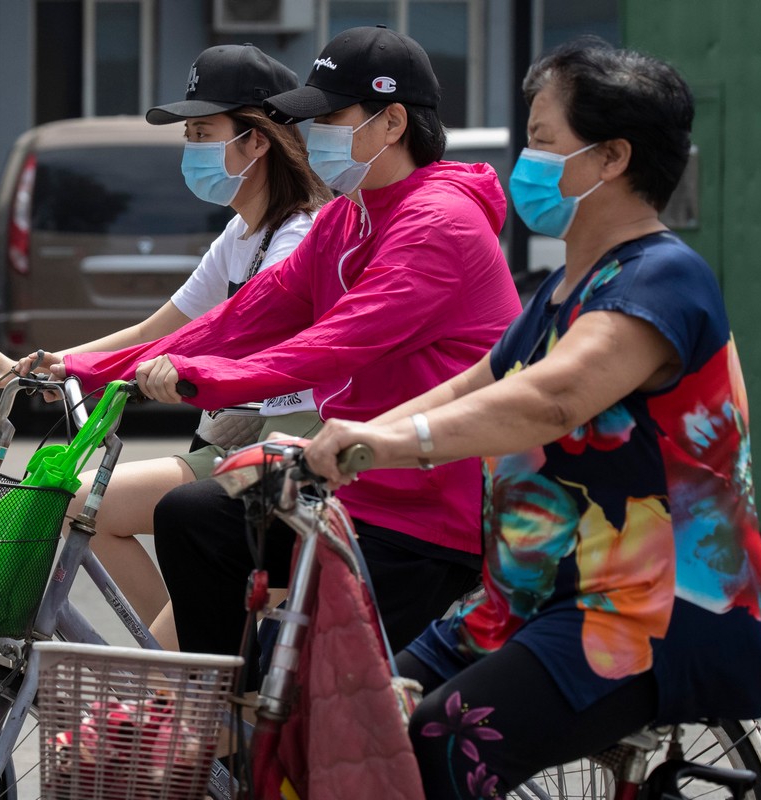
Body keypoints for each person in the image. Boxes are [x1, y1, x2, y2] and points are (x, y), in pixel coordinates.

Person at [302, 38, 761, 797]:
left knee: (436, 747)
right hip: (528, 601)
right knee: (341, 722)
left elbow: (552, 396)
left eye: (540, 139)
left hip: (650, 614)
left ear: (611, 157)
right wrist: (337, 446)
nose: (525, 160)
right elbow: (474, 384)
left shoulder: (663, 280)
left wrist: (388, 444)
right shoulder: (562, 288)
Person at [53, 25, 523, 679]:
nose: (316, 134)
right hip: (349, 490)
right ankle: (219, 719)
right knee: (194, 517)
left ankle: (225, 720)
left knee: (309, 701)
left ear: (392, 122)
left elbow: (329, 346)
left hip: (423, 513)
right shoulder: (347, 218)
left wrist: (200, 378)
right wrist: (76, 370)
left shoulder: (438, 221)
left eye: (331, 116)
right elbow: (241, 318)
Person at [0, 44, 330, 636]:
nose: (191, 147)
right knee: (82, 506)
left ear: (257, 141)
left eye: (204, 131)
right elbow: (159, 328)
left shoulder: (299, 235)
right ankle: (191, 660)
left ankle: (187, 668)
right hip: (232, 442)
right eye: (189, 134)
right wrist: (44, 367)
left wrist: (127, 370)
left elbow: (230, 339)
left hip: (286, 446)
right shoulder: (240, 233)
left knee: (162, 649)